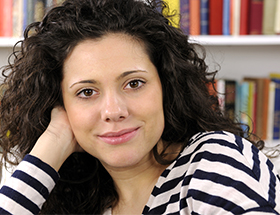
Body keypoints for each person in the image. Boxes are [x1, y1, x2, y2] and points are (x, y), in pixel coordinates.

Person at [0, 0, 279, 214]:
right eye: (86, 92)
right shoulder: (83, 201)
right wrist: (51, 145)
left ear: (165, 86)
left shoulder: (214, 162)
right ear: (59, 105)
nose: (113, 110)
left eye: (133, 84)